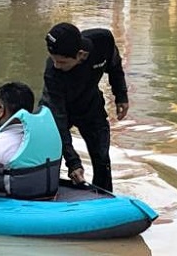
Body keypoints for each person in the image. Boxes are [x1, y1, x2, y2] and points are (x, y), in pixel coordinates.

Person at [40, 22, 129, 192]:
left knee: (102, 159)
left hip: (90, 106)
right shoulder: (52, 72)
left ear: (81, 54)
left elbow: (115, 66)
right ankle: (47, 193)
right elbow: (58, 119)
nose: (56, 65)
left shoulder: (103, 41)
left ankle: (105, 198)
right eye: (53, 59)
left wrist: (121, 95)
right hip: (57, 109)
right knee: (49, 154)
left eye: (62, 62)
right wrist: (73, 162)